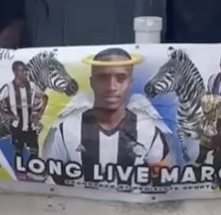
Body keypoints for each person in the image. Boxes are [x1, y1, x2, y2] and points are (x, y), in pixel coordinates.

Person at [43, 47, 170, 184]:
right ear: (92, 82)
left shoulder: (149, 131)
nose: (111, 87)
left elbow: (161, 182)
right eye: (102, 78)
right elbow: (55, 182)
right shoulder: (66, 130)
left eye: (121, 78)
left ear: (130, 83)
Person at [0, 61, 48, 169]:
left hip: (30, 127)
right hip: (16, 126)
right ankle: (20, 171)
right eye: (23, 71)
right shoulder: (8, 87)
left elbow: (45, 97)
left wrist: (39, 114)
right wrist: (5, 114)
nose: (26, 73)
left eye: (26, 71)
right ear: (15, 72)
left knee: (34, 151)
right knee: (18, 150)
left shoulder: (33, 86)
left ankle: (30, 170)